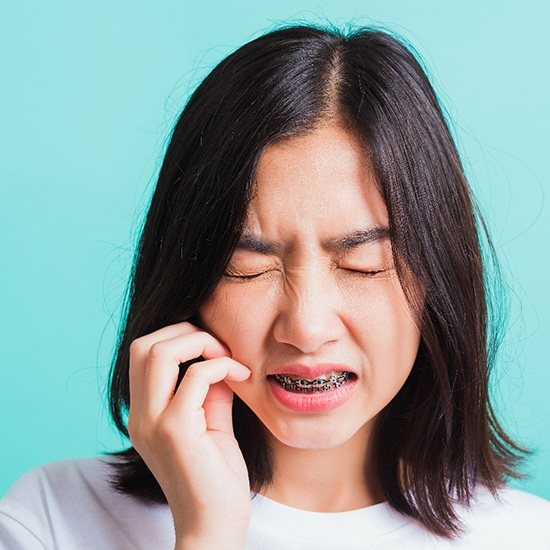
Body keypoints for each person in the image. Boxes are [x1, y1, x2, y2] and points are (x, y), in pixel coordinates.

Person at [1, 24, 549, 550]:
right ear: (186, 280)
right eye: (248, 267)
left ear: (438, 278)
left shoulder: (529, 538)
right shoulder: (50, 520)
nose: (307, 329)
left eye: (363, 263)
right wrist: (207, 534)